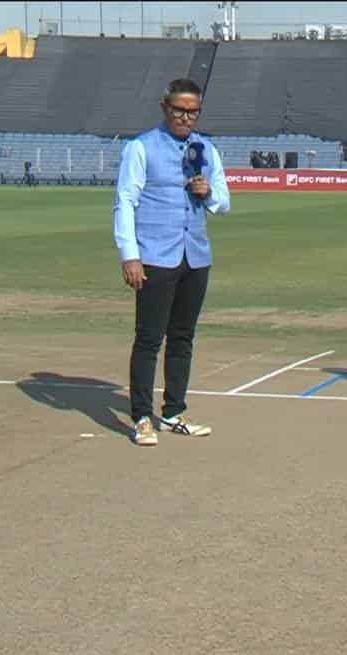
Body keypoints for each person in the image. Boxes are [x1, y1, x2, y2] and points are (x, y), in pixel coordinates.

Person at [113, 78, 230, 447]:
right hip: (154, 256)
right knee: (149, 339)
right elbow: (125, 202)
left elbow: (224, 202)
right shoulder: (141, 147)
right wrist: (130, 255)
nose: (186, 117)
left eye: (193, 111)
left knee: (182, 337)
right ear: (165, 108)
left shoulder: (206, 149)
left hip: (195, 255)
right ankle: (141, 417)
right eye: (179, 110)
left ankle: (173, 412)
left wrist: (207, 193)